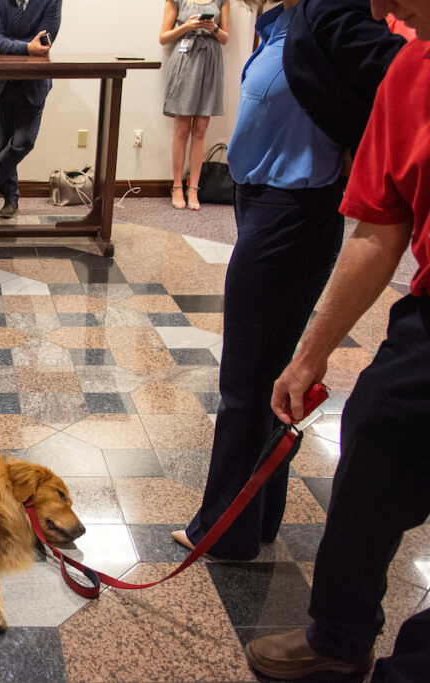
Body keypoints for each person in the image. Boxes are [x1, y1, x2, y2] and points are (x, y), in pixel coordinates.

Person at [172, 0, 404, 561]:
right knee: (268, 372)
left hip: (294, 210)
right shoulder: (277, 24)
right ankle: (258, 515)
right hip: (263, 204)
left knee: (245, 380)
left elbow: (399, 74)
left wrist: (362, 150)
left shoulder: (328, 10)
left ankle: (224, 533)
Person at [244, 0, 430, 677]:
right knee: (372, 450)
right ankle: (339, 637)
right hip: (428, 318)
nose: (381, 9)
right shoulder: (410, 71)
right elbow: (379, 230)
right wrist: (310, 353)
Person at [0, 0, 62, 219]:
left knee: (24, 141)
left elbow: (43, 43)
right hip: (0, 82)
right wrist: (25, 47)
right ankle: (11, 199)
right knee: (3, 143)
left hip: (33, 83)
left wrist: (4, 46)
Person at [159, 0, 229, 210]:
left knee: (201, 128)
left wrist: (213, 28)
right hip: (185, 61)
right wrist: (186, 27)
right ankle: (177, 186)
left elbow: (225, 38)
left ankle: (194, 188)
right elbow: (163, 37)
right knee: (182, 127)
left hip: (211, 61)